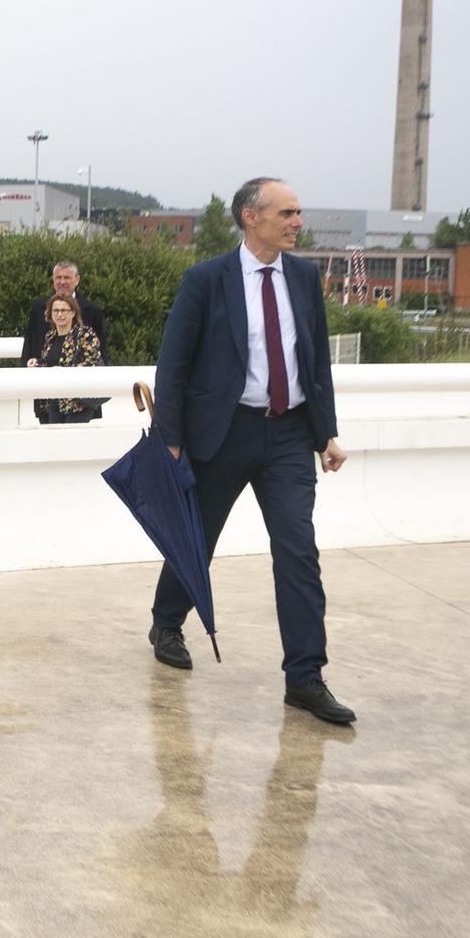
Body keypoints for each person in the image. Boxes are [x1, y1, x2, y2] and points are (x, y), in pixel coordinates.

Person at [148, 177, 354, 725]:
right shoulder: (206, 280)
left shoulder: (306, 278)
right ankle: (167, 621)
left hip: (288, 436)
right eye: (286, 212)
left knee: (298, 551)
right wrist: (169, 440)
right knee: (200, 537)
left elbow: (315, 362)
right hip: (224, 432)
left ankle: (305, 677)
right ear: (250, 216)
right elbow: (174, 364)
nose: (296, 222)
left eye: (298, 212)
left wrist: (325, 432)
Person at [27, 292, 105, 424]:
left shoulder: (84, 334)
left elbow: (93, 361)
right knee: (55, 440)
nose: (59, 314)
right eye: (56, 310)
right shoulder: (50, 337)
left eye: (64, 310)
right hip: (55, 398)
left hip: (79, 401)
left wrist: (67, 370)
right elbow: (49, 362)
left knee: (72, 440)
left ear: (73, 313)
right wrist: (36, 363)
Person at [20, 261, 110, 364]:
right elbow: (30, 343)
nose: (62, 282)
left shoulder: (93, 310)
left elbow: (101, 351)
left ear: (77, 280)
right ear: (53, 279)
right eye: (58, 277)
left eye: (67, 278)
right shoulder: (38, 308)